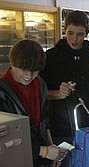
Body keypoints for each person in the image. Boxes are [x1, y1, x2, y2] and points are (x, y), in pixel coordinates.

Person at [40, 11, 89, 166]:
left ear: (86, 34)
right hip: (59, 129)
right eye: (70, 33)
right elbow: (40, 93)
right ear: (64, 30)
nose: (74, 39)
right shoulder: (50, 58)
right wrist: (57, 93)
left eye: (79, 34)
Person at [0, 39, 68, 167]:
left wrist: (51, 147)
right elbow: (5, 138)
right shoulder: (2, 91)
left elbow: (44, 121)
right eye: (23, 69)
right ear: (13, 63)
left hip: (41, 156)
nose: (29, 75)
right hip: (15, 157)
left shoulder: (39, 84)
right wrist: (43, 151)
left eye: (35, 70)